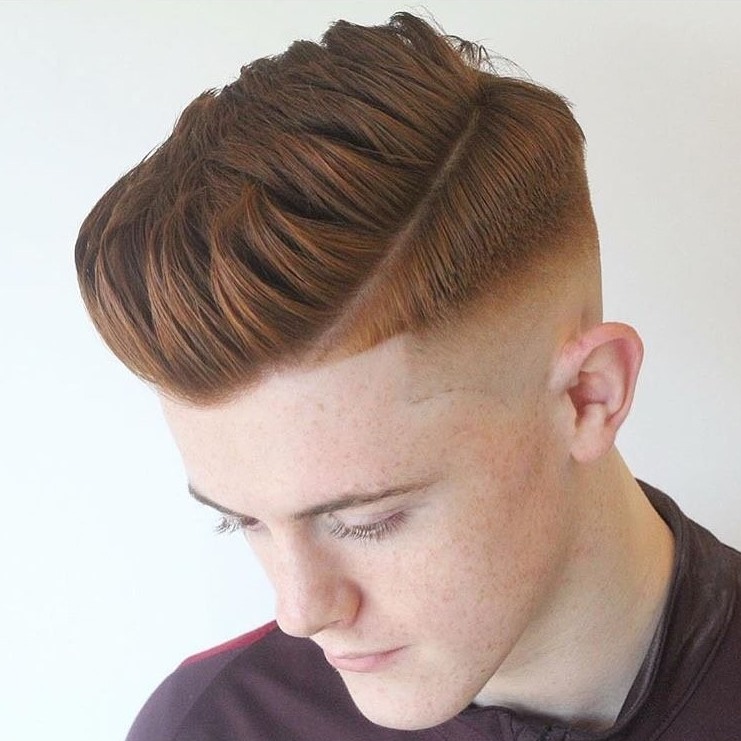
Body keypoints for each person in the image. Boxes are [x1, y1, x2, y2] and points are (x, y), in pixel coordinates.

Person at [75, 12, 741, 741]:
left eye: (368, 521)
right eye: (243, 521)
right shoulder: (214, 726)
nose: (301, 612)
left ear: (589, 396)